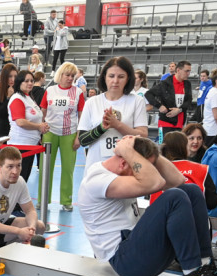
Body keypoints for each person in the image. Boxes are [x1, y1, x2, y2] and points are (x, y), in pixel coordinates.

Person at [78, 136, 217, 276]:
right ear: (124, 163)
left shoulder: (119, 169)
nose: (144, 172)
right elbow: (155, 183)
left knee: (191, 190)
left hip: (139, 249)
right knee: (175, 197)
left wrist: (152, 153)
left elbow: (178, 180)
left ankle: (205, 265)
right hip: (125, 262)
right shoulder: (97, 180)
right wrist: (127, 150)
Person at [78, 56, 148, 171]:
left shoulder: (137, 101)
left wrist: (118, 125)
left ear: (128, 78)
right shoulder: (92, 102)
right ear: (104, 77)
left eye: (121, 77)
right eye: (111, 76)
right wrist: (101, 128)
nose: (115, 81)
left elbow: (143, 136)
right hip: (97, 166)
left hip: (126, 167)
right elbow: (82, 140)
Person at [40, 62, 85, 211]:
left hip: (69, 134)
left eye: (73, 75)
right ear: (61, 75)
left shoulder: (78, 92)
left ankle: (66, 200)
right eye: (67, 75)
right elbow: (42, 112)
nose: (70, 78)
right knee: (46, 168)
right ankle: (43, 199)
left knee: (68, 169)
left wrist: (78, 136)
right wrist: (40, 130)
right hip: (50, 133)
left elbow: (82, 116)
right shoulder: (50, 90)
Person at [149, 131, 217, 209]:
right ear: (185, 147)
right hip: (191, 214)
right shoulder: (201, 169)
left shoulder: (154, 171)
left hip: (160, 214)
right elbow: (212, 202)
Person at [8, 70, 49, 184]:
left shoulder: (28, 97)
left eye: (31, 81)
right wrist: (39, 127)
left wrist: (41, 127)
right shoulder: (17, 98)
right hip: (20, 145)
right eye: (26, 81)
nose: (30, 83)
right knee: (17, 181)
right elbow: (20, 122)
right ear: (19, 82)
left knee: (23, 179)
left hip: (30, 145)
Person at [145, 60, 193, 141]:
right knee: (164, 146)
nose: (188, 73)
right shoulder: (165, 83)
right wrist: (159, 106)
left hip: (180, 122)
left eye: (189, 71)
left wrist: (179, 110)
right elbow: (148, 94)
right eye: (186, 71)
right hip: (166, 122)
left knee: (178, 147)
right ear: (178, 70)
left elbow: (189, 100)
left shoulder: (187, 84)